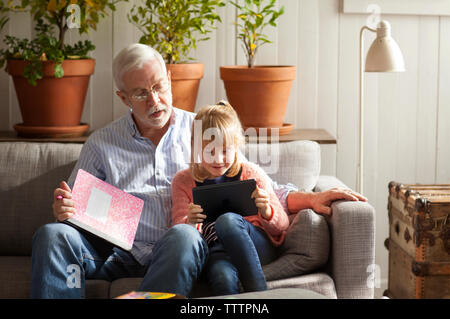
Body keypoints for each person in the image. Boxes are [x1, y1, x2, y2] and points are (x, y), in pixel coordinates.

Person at [30, 43, 366, 299]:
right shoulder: (102, 143)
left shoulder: (203, 129)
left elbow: (255, 185)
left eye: (160, 86)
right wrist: (64, 209)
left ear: (170, 79)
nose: (155, 100)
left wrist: (313, 197)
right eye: (140, 93)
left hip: (181, 246)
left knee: (184, 233)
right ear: (122, 97)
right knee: (51, 235)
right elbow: (73, 205)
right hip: (117, 251)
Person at [171, 101, 289, 295]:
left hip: (254, 245)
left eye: (225, 150)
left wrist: (266, 210)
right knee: (222, 277)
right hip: (217, 252)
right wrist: (189, 222)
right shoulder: (183, 181)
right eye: (210, 151)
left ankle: (260, 294)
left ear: (237, 146)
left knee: (227, 221)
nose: (218, 159)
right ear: (194, 147)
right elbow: (180, 234)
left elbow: (282, 225)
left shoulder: (251, 173)